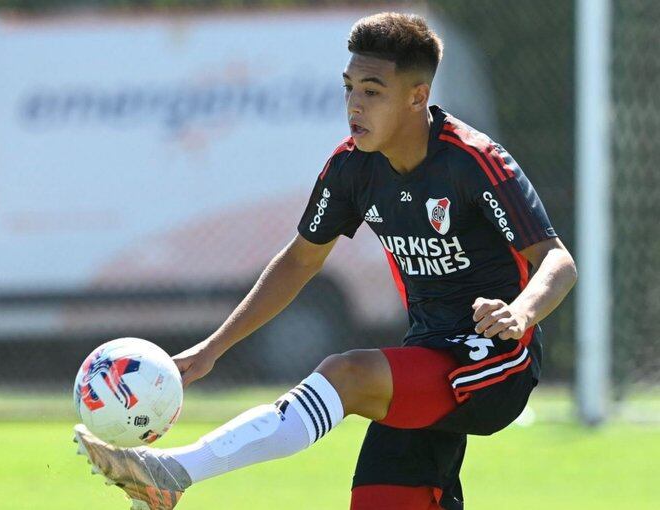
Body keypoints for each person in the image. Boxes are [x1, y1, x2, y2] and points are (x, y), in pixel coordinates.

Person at [74, 12, 577, 510]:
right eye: (349, 88)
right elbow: (299, 262)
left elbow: (556, 260)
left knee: (347, 373)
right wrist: (213, 347)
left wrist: (521, 312)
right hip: (423, 356)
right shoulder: (351, 168)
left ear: (417, 96)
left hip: (494, 359)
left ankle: (174, 472)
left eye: (372, 91)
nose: (355, 105)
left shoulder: (474, 160)